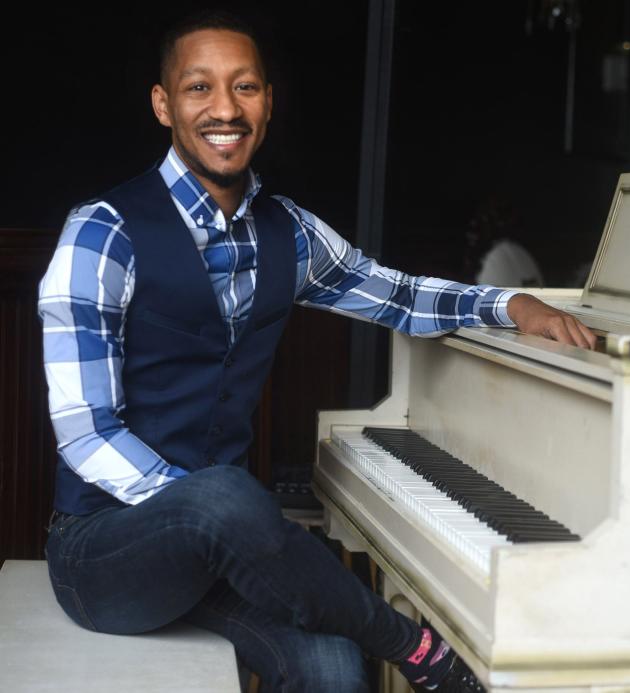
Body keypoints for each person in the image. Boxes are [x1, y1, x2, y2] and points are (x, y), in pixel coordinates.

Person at [37, 10, 595, 693]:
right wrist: (213, 512)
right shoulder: (103, 233)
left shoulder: (290, 233)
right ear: (163, 104)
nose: (224, 108)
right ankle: (419, 650)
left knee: (333, 667)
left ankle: (305, 585)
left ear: (268, 104)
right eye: (198, 88)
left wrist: (509, 303)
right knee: (226, 495)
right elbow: (85, 430)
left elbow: (397, 295)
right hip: (104, 550)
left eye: (244, 88)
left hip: (223, 542)